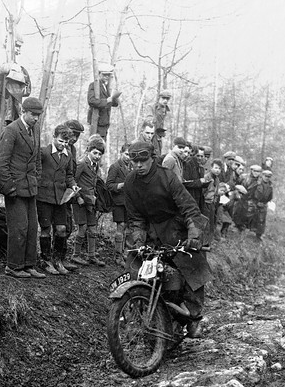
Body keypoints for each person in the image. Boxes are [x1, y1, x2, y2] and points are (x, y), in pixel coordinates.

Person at [123, 140, 211, 338]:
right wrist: (137, 242)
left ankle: (194, 317)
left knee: (191, 264)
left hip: (175, 227)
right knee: (133, 267)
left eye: (143, 161)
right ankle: (133, 315)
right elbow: (135, 217)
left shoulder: (167, 177)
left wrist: (193, 234)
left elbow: (189, 207)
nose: (138, 165)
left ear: (152, 159)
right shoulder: (130, 182)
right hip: (150, 232)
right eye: (134, 161)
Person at [0, 97, 45, 279]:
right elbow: (1, 163)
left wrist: (36, 179)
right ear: (23, 112)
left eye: (38, 115)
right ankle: (14, 266)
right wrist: (10, 188)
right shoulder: (11, 130)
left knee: (32, 227)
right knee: (19, 228)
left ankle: (29, 265)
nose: (36, 118)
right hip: (15, 189)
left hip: (30, 187)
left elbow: (37, 157)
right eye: (33, 114)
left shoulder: (36, 129)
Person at [37, 124, 79, 275]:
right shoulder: (44, 152)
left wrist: (73, 186)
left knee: (61, 229)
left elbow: (69, 175)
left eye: (66, 143)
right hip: (44, 197)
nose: (63, 145)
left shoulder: (68, 155)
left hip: (60, 198)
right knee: (46, 230)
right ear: (54, 137)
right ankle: (46, 260)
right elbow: (36, 170)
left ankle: (58, 260)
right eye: (61, 141)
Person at [0, 35, 31, 160]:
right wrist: (14, 66)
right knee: (5, 118)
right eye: (17, 46)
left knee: (0, 119)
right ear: (9, 43)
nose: (19, 50)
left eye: (20, 47)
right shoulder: (2, 52)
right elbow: (2, 68)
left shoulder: (8, 55)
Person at [70, 137, 107, 266]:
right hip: (80, 201)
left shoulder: (95, 166)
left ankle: (91, 255)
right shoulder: (82, 163)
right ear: (89, 151)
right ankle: (76, 255)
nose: (97, 156)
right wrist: (78, 197)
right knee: (82, 228)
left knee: (92, 229)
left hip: (91, 202)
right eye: (95, 153)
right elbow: (72, 181)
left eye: (100, 154)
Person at [60, 119, 85, 271]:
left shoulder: (73, 150)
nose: (74, 138)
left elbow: (71, 172)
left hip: (69, 191)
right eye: (73, 134)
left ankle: (62, 257)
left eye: (77, 135)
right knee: (60, 226)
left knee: (68, 225)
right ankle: (54, 258)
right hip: (57, 191)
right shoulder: (59, 145)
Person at [106, 143, 133, 267]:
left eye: (131, 155)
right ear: (121, 153)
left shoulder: (132, 167)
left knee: (128, 227)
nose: (128, 157)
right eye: (126, 154)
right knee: (120, 226)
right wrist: (122, 185)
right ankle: (117, 256)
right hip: (118, 202)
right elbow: (109, 185)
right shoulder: (115, 167)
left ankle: (125, 253)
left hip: (129, 202)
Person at [87, 63, 121, 139]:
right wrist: (106, 101)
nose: (106, 77)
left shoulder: (107, 87)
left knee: (102, 144)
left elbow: (114, 104)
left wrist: (114, 96)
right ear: (99, 74)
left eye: (108, 75)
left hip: (104, 122)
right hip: (97, 122)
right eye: (104, 75)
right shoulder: (93, 85)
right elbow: (91, 101)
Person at [153, 89, 172, 154]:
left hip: (161, 137)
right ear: (159, 98)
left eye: (167, 99)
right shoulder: (153, 108)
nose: (165, 100)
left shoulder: (167, 111)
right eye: (163, 98)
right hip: (152, 135)